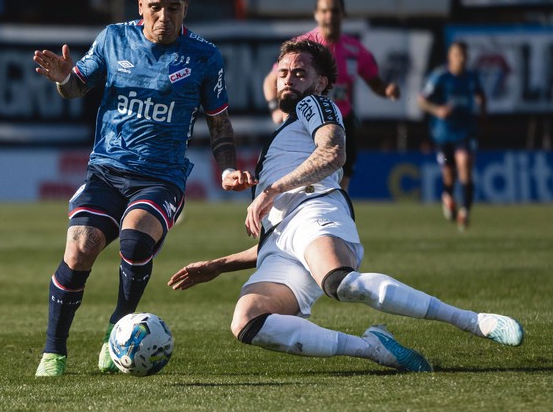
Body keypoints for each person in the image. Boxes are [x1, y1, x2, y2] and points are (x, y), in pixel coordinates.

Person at [169, 39, 523, 373]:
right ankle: (373, 348)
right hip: (279, 243)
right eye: (283, 72)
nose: (288, 79)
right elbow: (277, 233)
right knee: (248, 322)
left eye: (299, 72)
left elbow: (333, 152)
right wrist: (217, 265)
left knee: (340, 282)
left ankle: (474, 321)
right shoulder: (281, 136)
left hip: (314, 209)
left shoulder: (316, 104)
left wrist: (271, 189)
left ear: (321, 83)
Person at [32, 0, 245, 377]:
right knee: (80, 247)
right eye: (156, 7)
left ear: (186, 8)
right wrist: (63, 81)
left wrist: (228, 169)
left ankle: (118, 328)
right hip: (107, 171)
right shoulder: (113, 39)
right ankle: (53, 352)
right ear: (140, 5)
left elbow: (219, 122)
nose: (164, 17)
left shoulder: (204, 56)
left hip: (161, 177)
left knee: (134, 241)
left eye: (174, 8)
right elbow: (77, 85)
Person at [262, 0, 400, 191]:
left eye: (334, 11)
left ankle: (337, 212)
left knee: (342, 179)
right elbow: (271, 80)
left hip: (342, 121)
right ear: (316, 14)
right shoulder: (303, 48)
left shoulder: (354, 50)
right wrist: (275, 108)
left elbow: (376, 83)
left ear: (343, 15)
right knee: (302, 176)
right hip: (307, 122)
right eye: (325, 10)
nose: (330, 16)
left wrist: (388, 90)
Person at [418, 41, 487, 231]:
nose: (461, 59)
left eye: (464, 55)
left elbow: (481, 96)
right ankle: (448, 196)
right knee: (448, 173)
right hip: (443, 134)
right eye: (457, 55)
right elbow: (421, 101)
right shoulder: (440, 77)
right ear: (450, 56)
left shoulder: (472, 77)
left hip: (466, 131)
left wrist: (481, 110)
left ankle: (465, 211)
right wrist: (437, 110)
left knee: (464, 163)